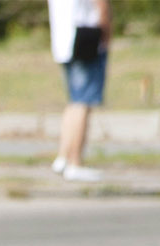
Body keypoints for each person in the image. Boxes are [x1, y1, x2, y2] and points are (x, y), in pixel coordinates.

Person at [48, 0, 111, 183]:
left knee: (75, 101)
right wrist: (106, 31)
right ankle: (75, 163)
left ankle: (63, 157)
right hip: (86, 37)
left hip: (63, 40)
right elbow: (102, 4)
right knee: (84, 102)